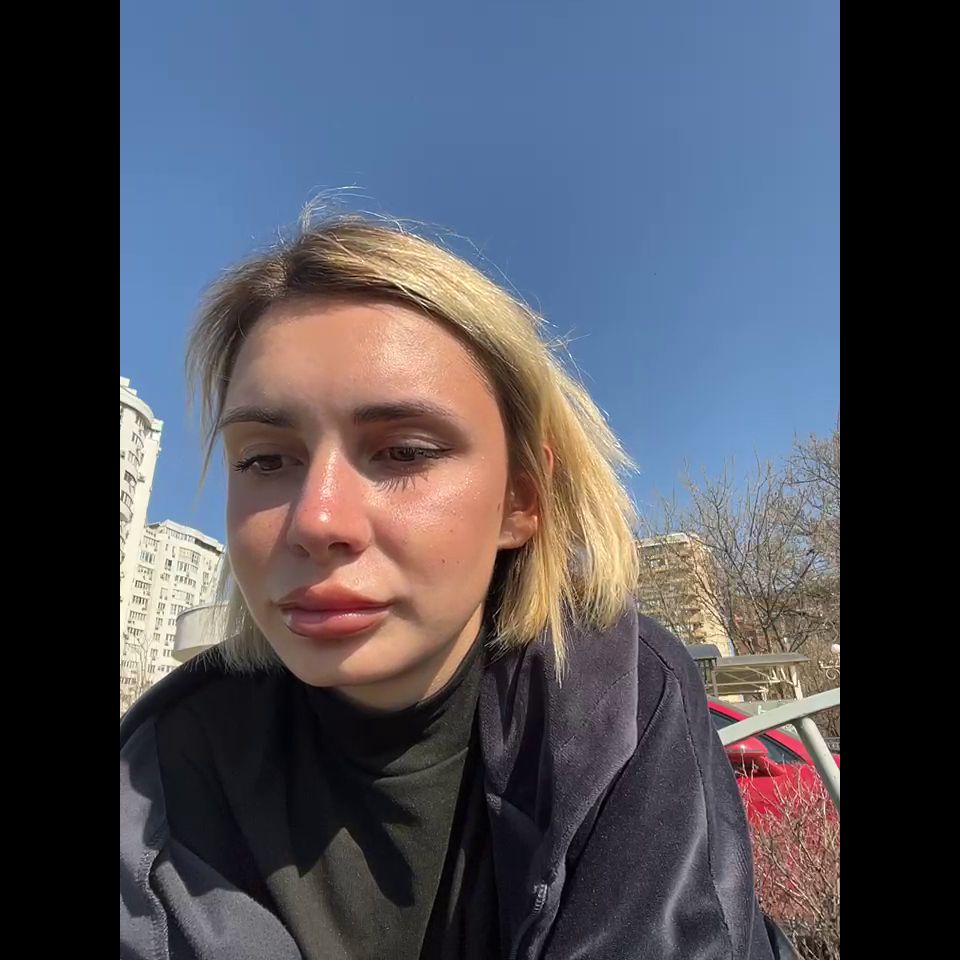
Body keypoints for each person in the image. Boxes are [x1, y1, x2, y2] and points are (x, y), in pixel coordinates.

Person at [120, 213, 793, 959]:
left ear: (520, 500)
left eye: (404, 451)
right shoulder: (154, 786)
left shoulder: (624, 704)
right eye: (265, 461)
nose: (315, 520)